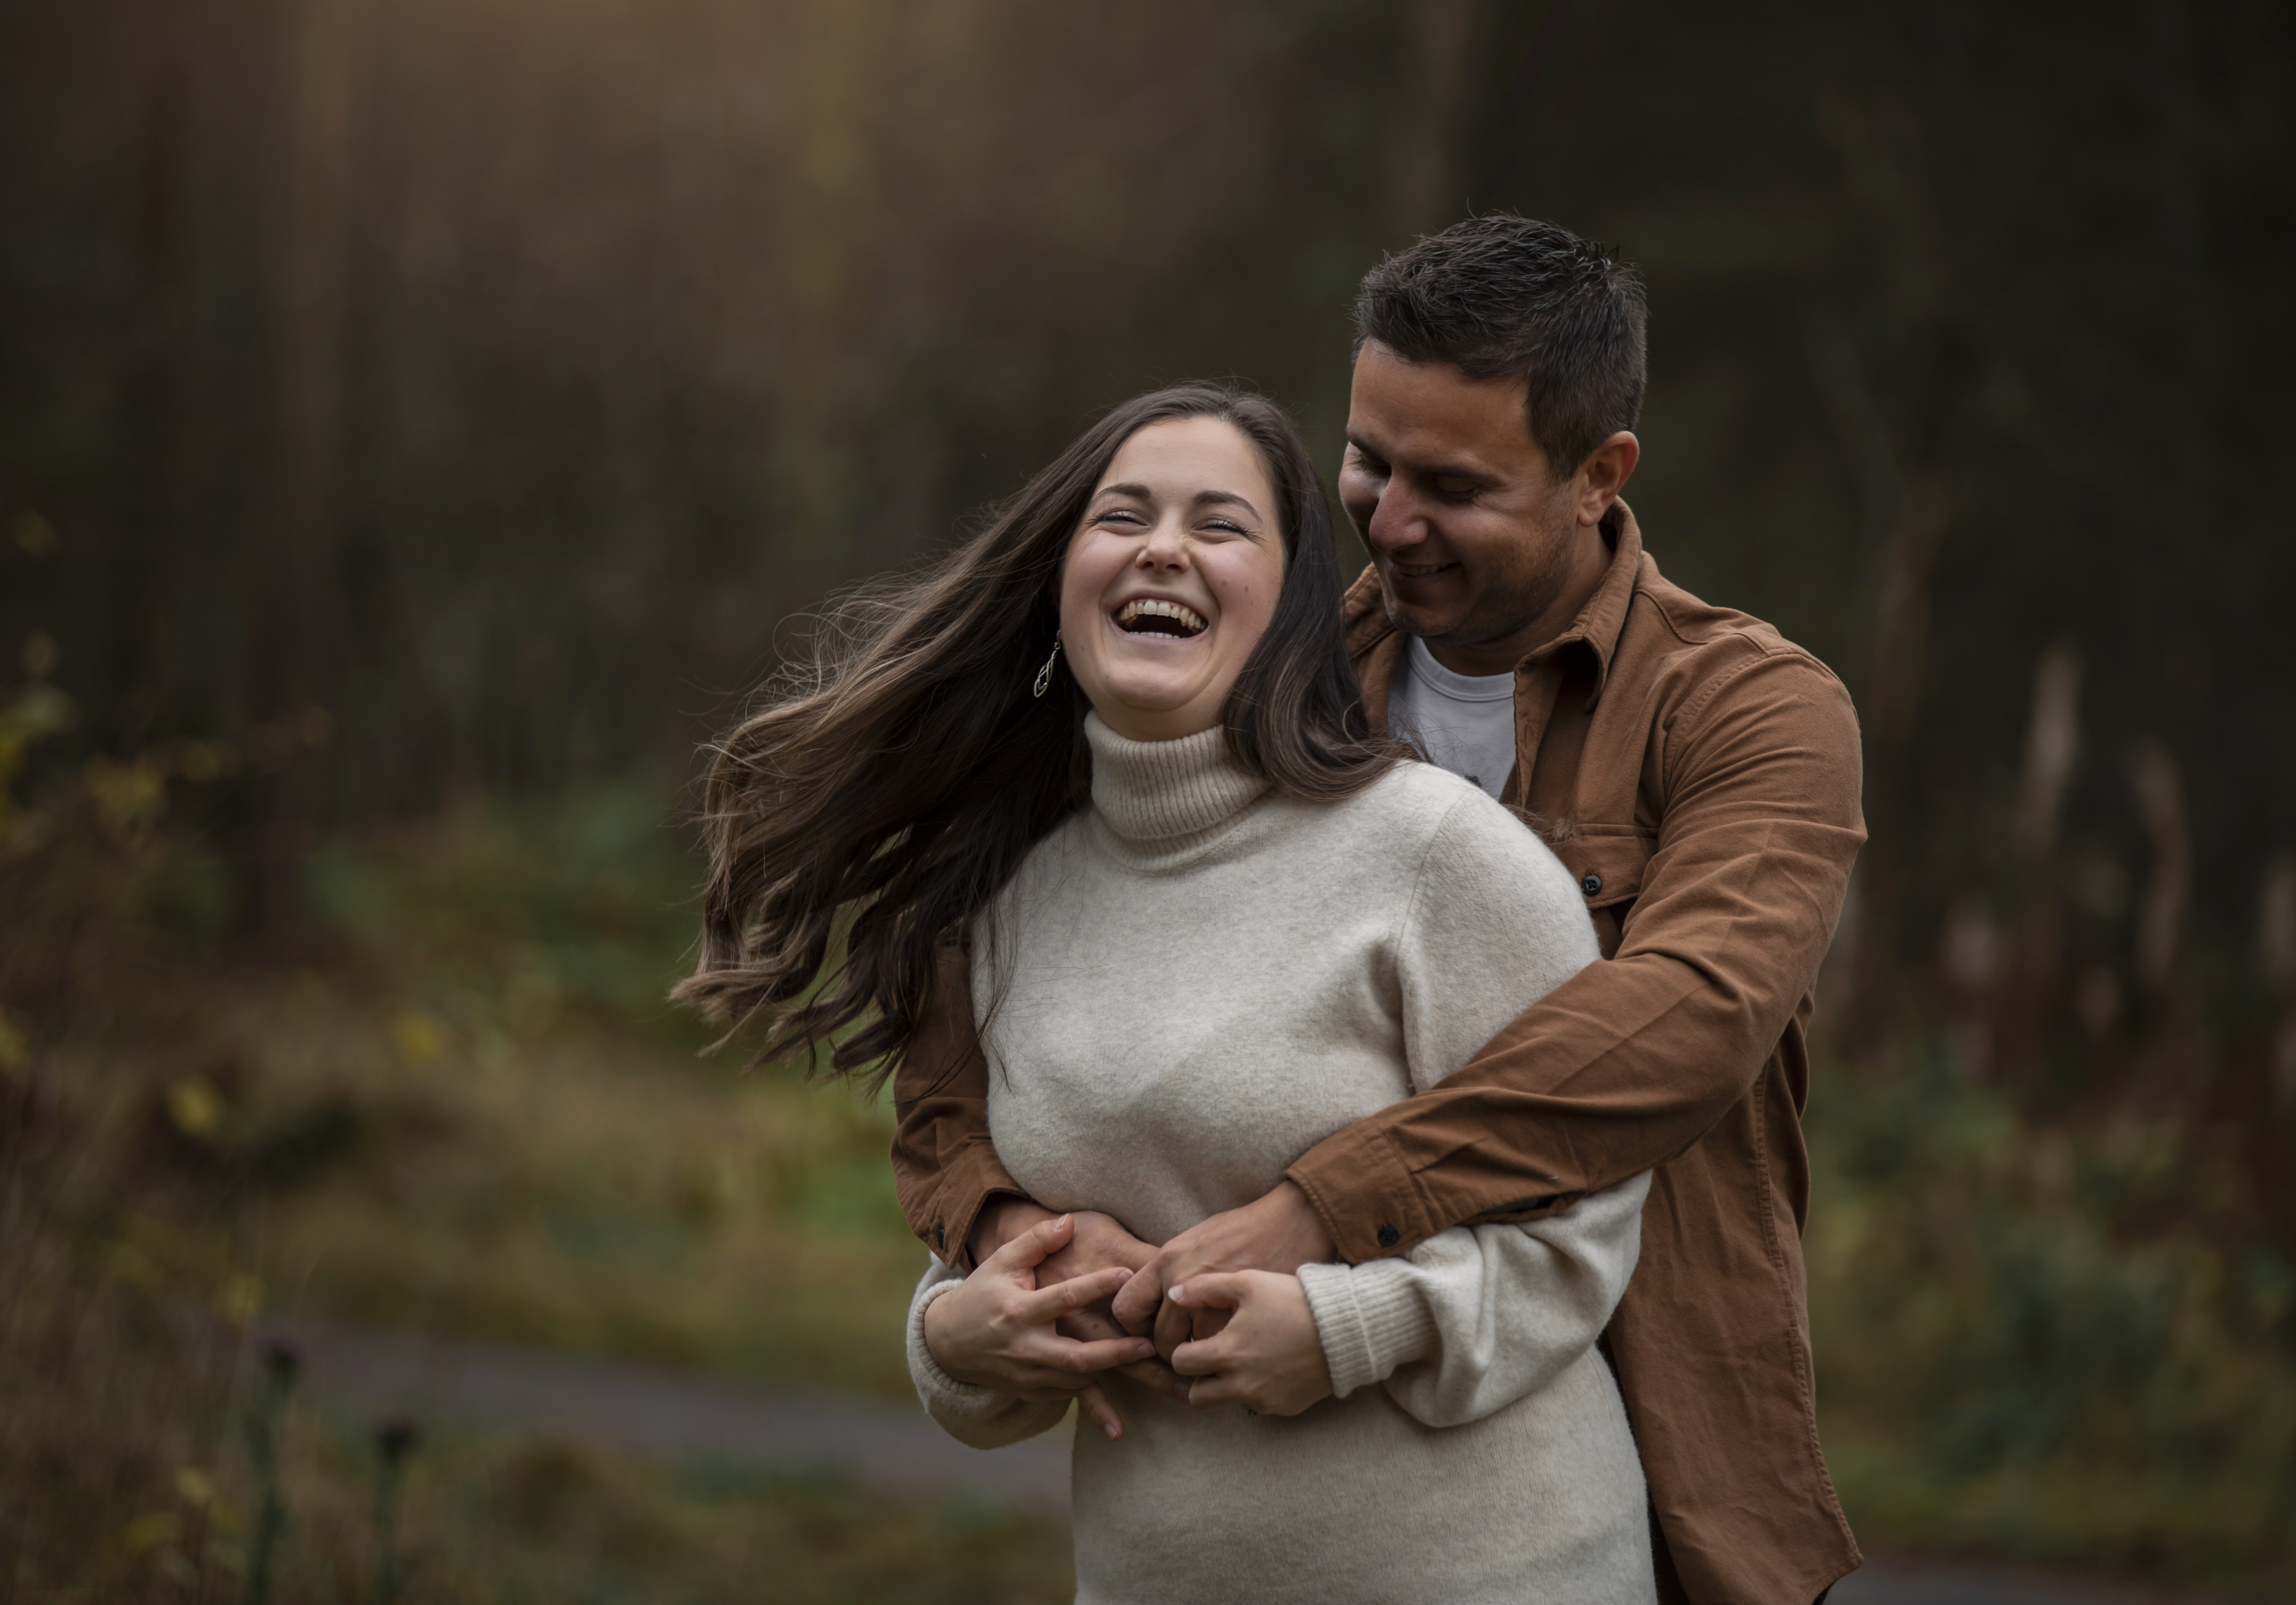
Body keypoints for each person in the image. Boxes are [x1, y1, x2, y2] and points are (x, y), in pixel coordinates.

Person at [893, 216, 1868, 1605]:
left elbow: (1687, 1025)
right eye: (1368, 460)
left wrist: (1318, 1209)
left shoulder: (1751, 711)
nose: (1391, 519)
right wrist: (1001, 1239)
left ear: (1601, 476)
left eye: (1452, 485)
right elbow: (990, 1011)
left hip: (1652, 1444)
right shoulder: (1264, 679)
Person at [677, 383, 1660, 1602]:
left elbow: (1584, 1229)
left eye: (1220, 525)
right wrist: (955, 1341)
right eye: (1124, 515)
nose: (1162, 548)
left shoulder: (1438, 861)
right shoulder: (1000, 895)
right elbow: (1001, 1254)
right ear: (1063, 575)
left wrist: (1348, 1331)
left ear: (1292, 605)